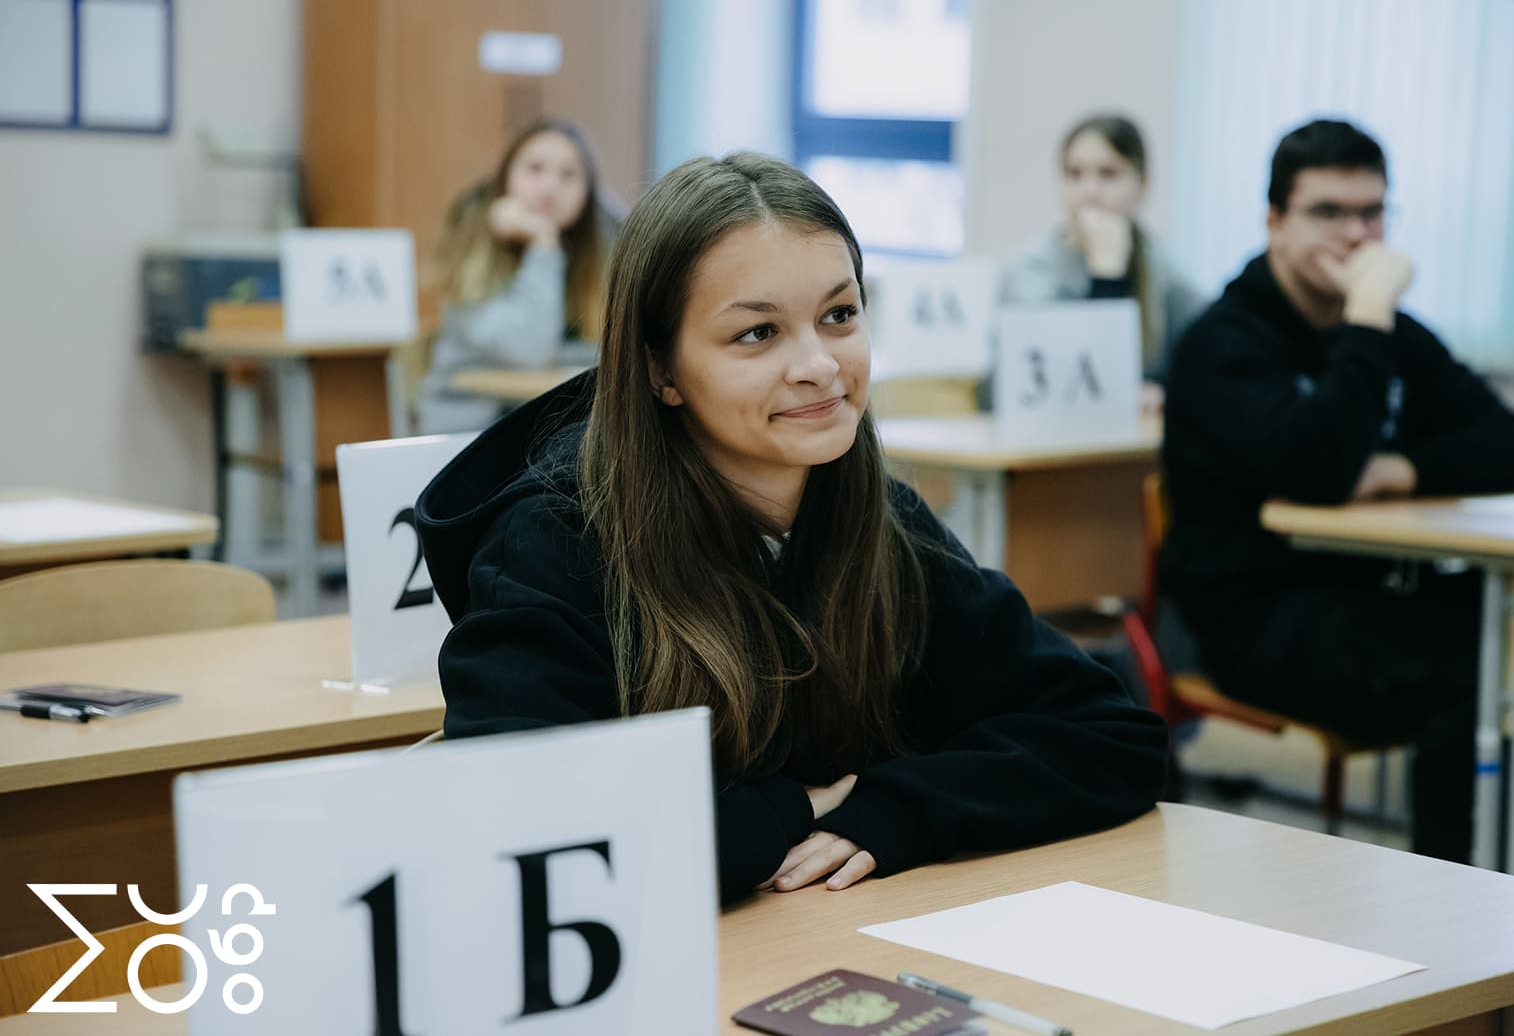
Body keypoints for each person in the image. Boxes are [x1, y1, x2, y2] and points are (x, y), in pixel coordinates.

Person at [416, 152, 1168, 903]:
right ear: (660, 371)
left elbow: (1112, 734)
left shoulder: (885, 524)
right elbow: (518, 828)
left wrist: (900, 807)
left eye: (839, 315)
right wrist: (792, 807)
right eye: (757, 334)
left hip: (828, 945)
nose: (819, 364)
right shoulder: (557, 542)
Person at [1160, 118, 1514, 862]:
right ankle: (1463, 914)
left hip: (1374, 596)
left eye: (1372, 213)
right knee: (1471, 679)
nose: (1356, 236)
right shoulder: (1223, 342)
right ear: (1275, 221)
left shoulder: (1393, 335)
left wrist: (1401, 468)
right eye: (1328, 213)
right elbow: (1320, 466)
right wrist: (1367, 313)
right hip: (1259, 616)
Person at [418, 117, 618, 434]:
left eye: (569, 175)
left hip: (552, 432)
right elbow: (529, 352)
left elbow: (614, 351)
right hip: (468, 437)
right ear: (505, 176)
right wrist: (543, 245)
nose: (550, 186)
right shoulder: (473, 242)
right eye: (535, 169)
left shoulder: (602, 244)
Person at [999, 114, 1207, 411]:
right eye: (1074, 174)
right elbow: (1063, 384)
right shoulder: (1031, 270)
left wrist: (1163, 391)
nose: (1089, 191)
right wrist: (1107, 274)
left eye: (1108, 174)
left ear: (1143, 184)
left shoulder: (1158, 262)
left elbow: (1206, 352)